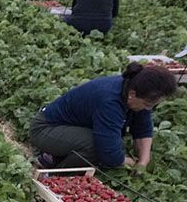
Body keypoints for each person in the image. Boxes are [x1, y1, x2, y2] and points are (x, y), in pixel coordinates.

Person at [30, 63, 178, 172]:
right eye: (146, 104)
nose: (148, 109)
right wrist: (131, 162)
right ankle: (56, 173)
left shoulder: (133, 89)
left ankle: (54, 156)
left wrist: (144, 162)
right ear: (133, 94)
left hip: (70, 128)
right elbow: (109, 155)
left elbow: (143, 129)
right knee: (97, 146)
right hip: (45, 129)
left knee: (112, 142)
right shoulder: (110, 101)